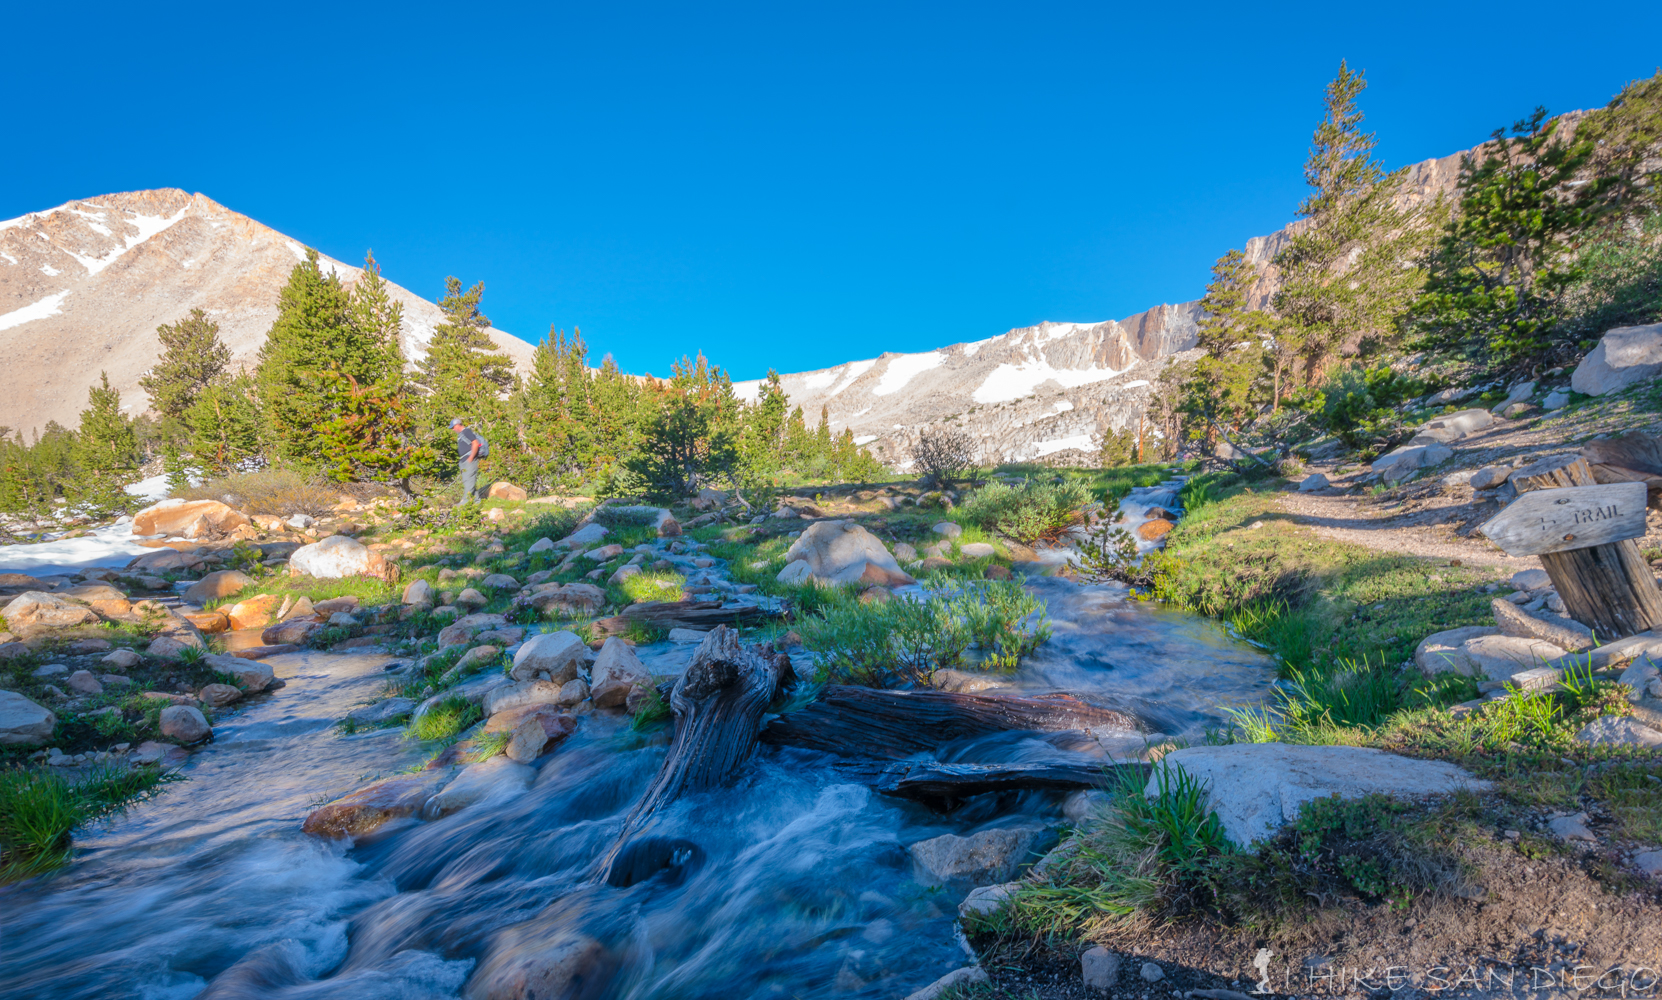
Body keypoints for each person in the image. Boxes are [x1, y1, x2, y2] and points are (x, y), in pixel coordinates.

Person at [451, 417, 488, 504]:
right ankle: (477, 502)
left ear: (457, 425)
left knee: (469, 482)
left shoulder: (467, 431)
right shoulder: (462, 434)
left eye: (453, 427)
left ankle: (464, 503)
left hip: (469, 461)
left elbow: (475, 443)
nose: (453, 430)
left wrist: (470, 458)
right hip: (464, 461)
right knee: (468, 481)